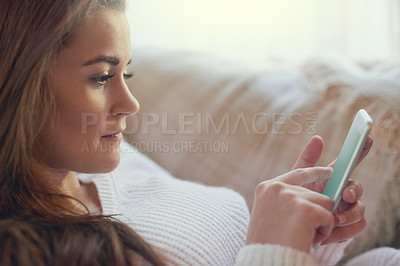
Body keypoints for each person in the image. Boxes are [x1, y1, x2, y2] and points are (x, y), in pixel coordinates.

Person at [1, 0, 390, 265]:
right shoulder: (44, 250)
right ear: (19, 85)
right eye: (102, 77)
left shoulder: (111, 163)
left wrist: (305, 235)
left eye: (127, 73)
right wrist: (274, 250)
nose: (131, 103)